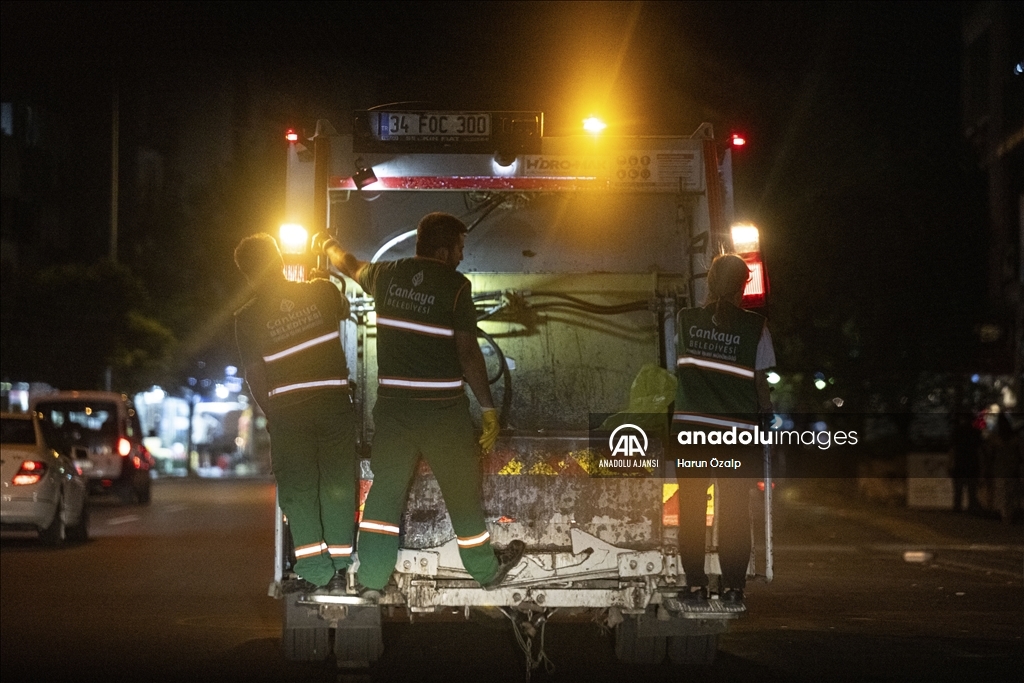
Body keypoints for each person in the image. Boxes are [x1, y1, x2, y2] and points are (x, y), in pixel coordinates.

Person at [322, 212, 524, 593]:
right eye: (460, 249)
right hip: (442, 412)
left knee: (385, 492)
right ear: (445, 250)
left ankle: (371, 579)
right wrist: (488, 408)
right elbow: (467, 352)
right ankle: (484, 570)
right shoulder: (456, 287)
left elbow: (350, 266)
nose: (462, 257)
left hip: (395, 411)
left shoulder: (385, 275)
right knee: (462, 490)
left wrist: (328, 245)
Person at [233, 233, 358, 589]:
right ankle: (339, 563)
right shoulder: (321, 292)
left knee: (299, 488)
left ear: (248, 275)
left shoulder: (248, 317)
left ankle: (316, 573)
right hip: (334, 404)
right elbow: (344, 307)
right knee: (336, 483)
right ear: (278, 259)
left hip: (289, 411)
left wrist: (273, 413)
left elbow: (254, 372)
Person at [670, 253, 775, 613]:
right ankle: (733, 590)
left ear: (709, 281)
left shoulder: (685, 321)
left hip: (692, 432)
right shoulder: (755, 326)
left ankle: (696, 587)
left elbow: (677, 369)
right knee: (733, 513)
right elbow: (761, 385)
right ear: (744, 286)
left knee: (693, 511)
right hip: (736, 433)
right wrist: (766, 415)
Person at [949, 413, 982, 513]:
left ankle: (957, 508)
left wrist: (950, 464)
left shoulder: (957, 432)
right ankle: (971, 508)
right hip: (972, 463)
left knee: (958, 490)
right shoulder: (975, 432)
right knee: (971, 490)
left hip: (960, 464)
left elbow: (953, 449)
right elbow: (979, 450)